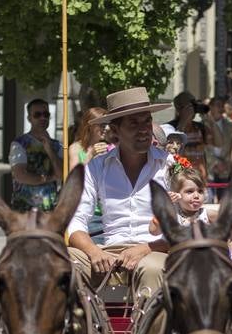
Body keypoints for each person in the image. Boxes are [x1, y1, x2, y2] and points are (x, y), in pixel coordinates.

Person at [66, 87, 172, 302]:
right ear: (115, 129)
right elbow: (75, 221)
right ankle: (76, 333)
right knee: (60, 263)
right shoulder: (96, 167)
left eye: (146, 121)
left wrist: (146, 248)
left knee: (151, 269)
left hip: (156, 250)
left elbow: (186, 224)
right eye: (134, 123)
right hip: (108, 250)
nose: (144, 129)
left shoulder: (169, 165)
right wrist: (94, 252)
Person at [8, 98, 66, 212]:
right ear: (29, 118)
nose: (43, 118)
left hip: (50, 209)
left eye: (46, 114)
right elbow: (21, 176)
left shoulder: (57, 145)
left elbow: (61, 174)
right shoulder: (19, 143)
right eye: (37, 115)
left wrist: (49, 150)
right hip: (24, 208)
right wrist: (49, 178)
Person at [150, 156, 211, 234]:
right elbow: (153, 231)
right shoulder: (173, 215)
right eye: (189, 191)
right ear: (176, 193)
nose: (196, 196)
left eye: (200, 191)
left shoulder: (205, 214)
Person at [168, 91, 210, 181]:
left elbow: (219, 143)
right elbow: (172, 151)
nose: (193, 108)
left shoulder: (200, 127)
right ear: (179, 109)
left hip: (201, 179)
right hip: (180, 180)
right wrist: (184, 120)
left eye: (194, 103)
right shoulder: (170, 128)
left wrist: (209, 118)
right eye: (189, 105)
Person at [204, 96, 232, 191]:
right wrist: (215, 162)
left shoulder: (230, 124)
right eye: (217, 105)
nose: (220, 108)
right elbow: (204, 147)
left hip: (226, 168)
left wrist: (226, 163)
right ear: (210, 107)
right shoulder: (203, 123)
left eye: (222, 106)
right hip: (209, 167)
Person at [67, 106, 110, 171]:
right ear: (90, 126)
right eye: (102, 125)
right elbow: (74, 175)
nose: (107, 128)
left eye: (108, 124)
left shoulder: (109, 146)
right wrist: (90, 155)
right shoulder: (76, 148)